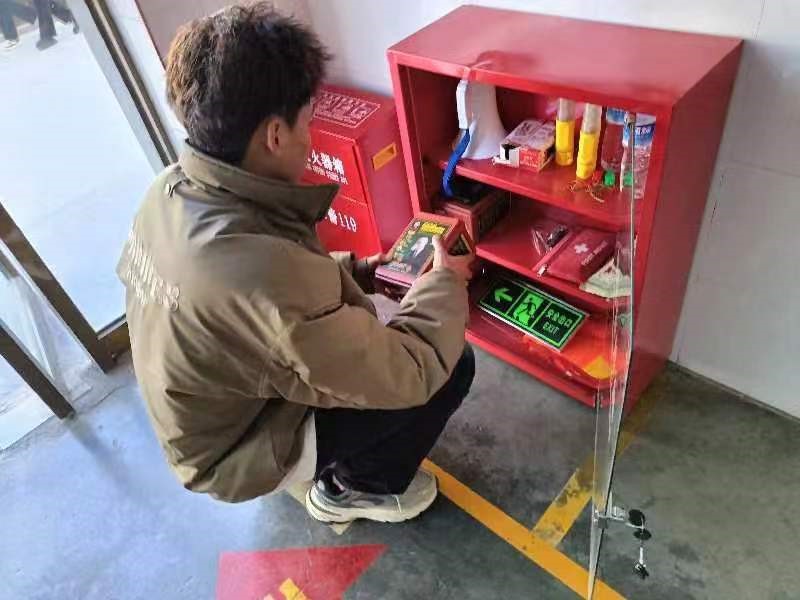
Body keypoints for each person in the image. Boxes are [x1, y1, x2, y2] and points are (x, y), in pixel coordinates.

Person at [117, 3, 476, 524]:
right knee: (450, 365)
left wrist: (364, 271)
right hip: (232, 452)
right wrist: (443, 285)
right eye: (308, 120)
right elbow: (410, 369)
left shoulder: (170, 189)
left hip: (207, 409)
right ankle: (353, 489)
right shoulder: (260, 277)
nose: (310, 136)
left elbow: (266, 294)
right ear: (275, 136)